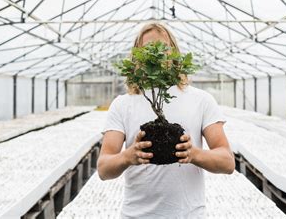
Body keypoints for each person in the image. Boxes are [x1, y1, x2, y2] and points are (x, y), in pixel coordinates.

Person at [97, 22, 235, 218]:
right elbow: (103, 168)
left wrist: (193, 153)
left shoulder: (201, 100)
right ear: (137, 56)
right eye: (148, 49)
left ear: (174, 53)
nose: (157, 53)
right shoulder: (122, 104)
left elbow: (228, 162)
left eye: (163, 48)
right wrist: (128, 156)